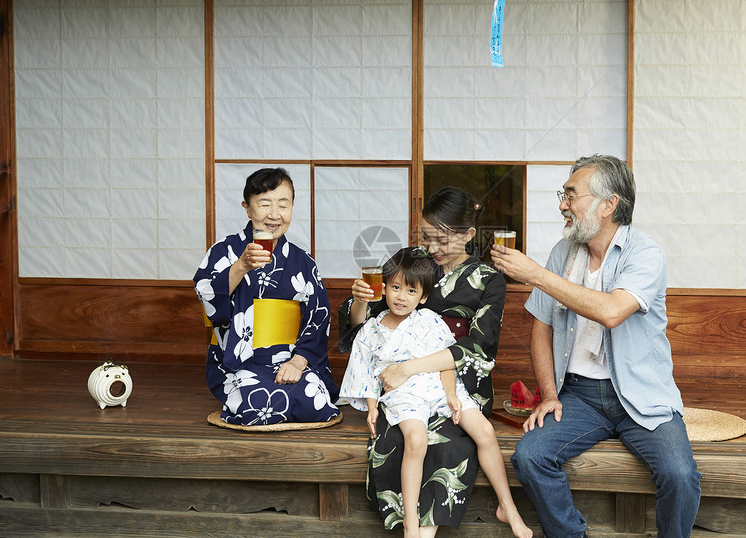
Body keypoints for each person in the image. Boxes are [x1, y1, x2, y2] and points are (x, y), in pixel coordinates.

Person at [490, 155, 701, 538]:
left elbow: (611, 311)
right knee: (530, 457)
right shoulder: (563, 252)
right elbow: (541, 327)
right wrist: (550, 395)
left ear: (608, 205)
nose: (562, 205)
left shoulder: (645, 254)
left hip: (641, 394)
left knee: (680, 474)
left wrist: (535, 273)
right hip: (580, 396)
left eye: (571, 195)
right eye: (563, 194)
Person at [338, 186, 506, 534]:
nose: (432, 248)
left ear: (469, 235)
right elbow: (368, 321)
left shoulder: (489, 280)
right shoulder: (416, 263)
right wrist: (357, 301)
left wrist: (409, 368)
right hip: (402, 386)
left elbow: (479, 346)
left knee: (449, 441)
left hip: (456, 384)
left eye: (441, 240)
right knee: (401, 437)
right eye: (427, 237)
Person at [194, 167, 339, 426]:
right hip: (238, 360)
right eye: (264, 204)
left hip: (291, 358)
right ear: (247, 208)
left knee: (313, 402)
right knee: (260, 404)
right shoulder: (223, 251)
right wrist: (240, 267)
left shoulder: (302, 260)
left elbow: (319, 316)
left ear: (292, 207)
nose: (274, 215)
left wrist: (298, 361)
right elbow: (206, 295)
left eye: (283, 205)